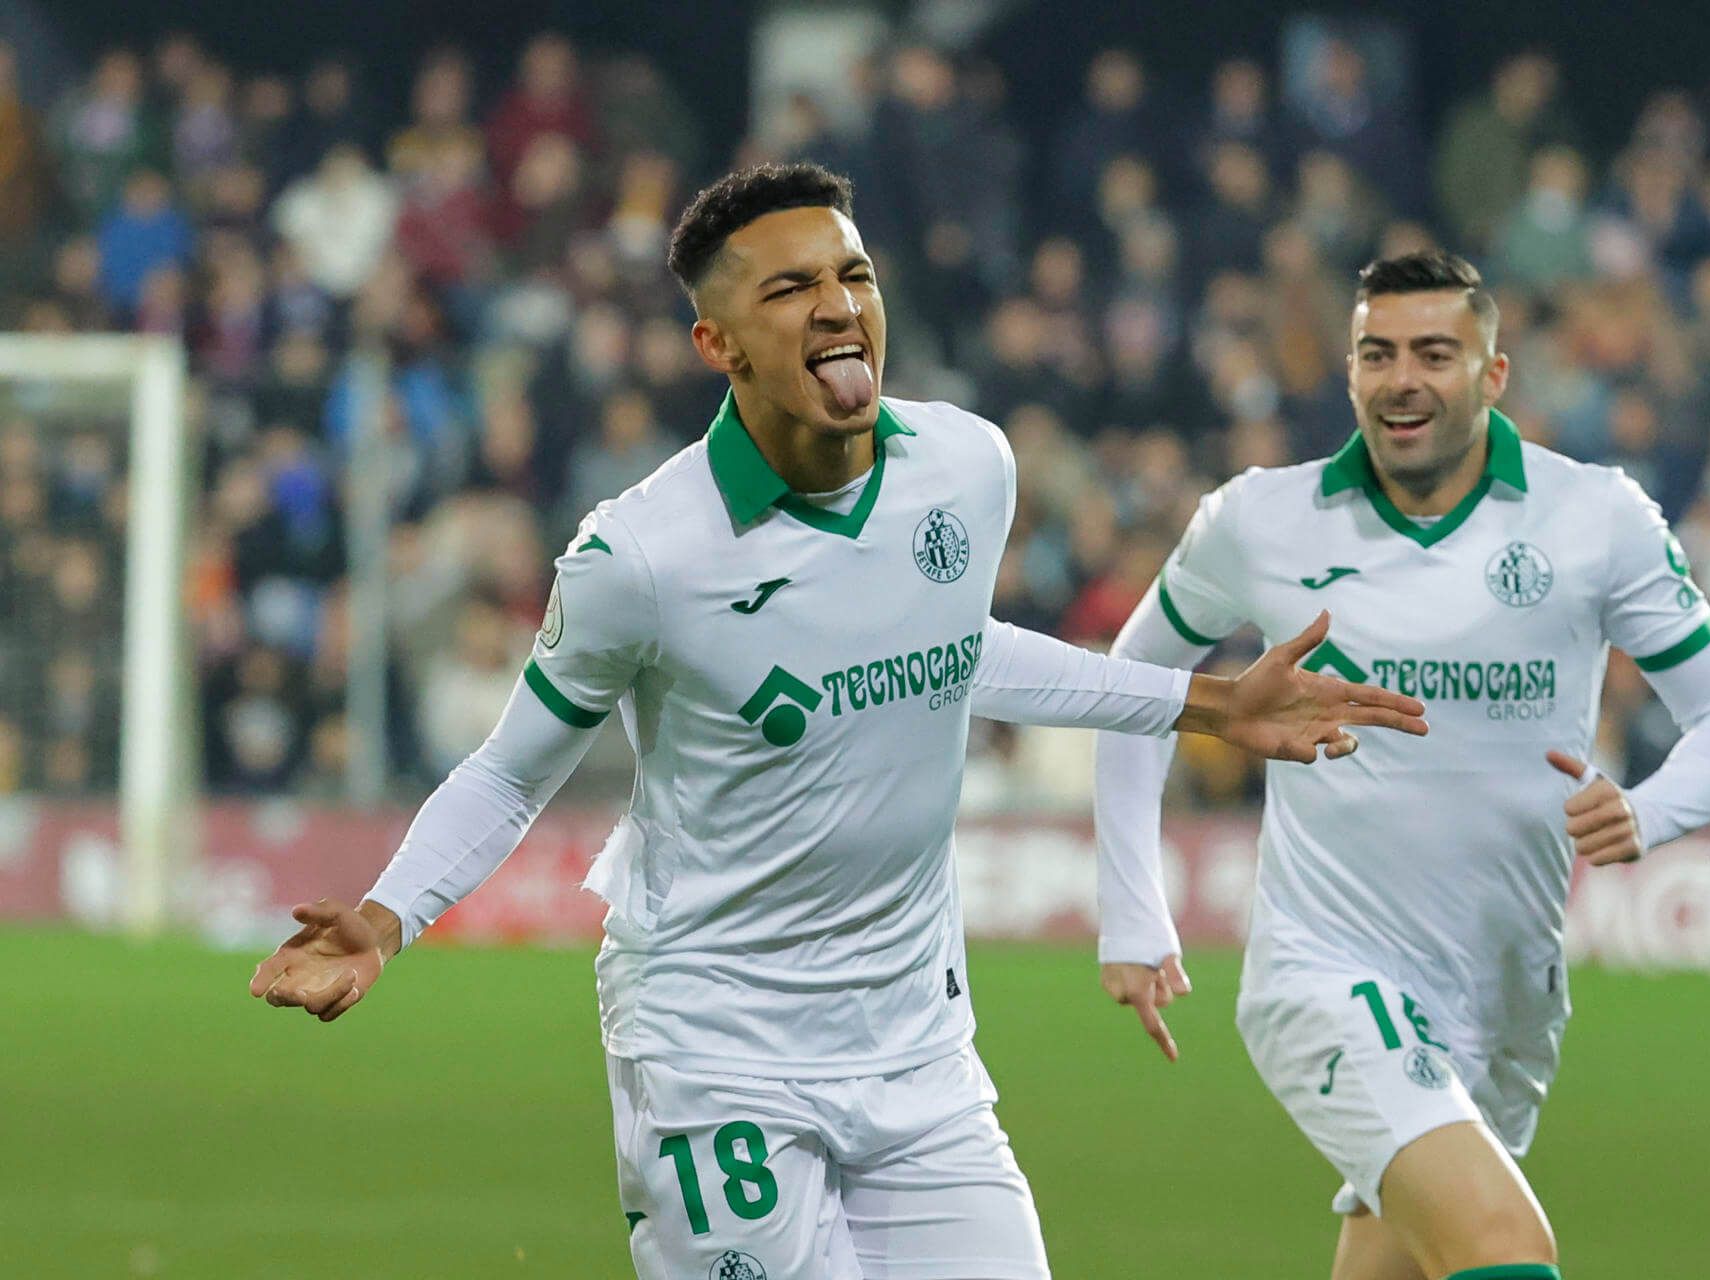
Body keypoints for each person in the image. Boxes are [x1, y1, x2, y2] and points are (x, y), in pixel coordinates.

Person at [248, 162, 1429, 1280]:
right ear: (716, 343)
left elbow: (946, 648)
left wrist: (1209, 701)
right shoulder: (639, 556)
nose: (836, 307)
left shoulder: (967, 467)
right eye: (789, 287)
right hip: (717, 1046)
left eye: (851, 275)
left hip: (918, 1046)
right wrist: (389, 918)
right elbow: (514, 773)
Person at [1093, 250, 1710, 1280]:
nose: (1401, 377)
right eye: (1377, 353)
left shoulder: (1594, 517)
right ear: (1350, 369)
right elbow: (1131, 690)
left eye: (1433, 353)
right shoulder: (1261, 520)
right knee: (1504, 1248)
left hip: (1508, 992)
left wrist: (1651, 807)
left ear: (1493, 374)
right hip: (1330, 972)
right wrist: (1134, 908)